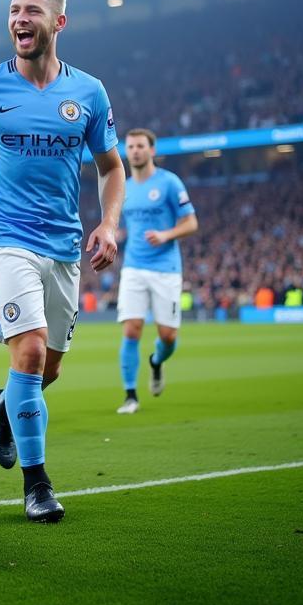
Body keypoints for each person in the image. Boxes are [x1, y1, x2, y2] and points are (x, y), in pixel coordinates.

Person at [0, 0, 123, 523]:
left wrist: (108, 225)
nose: (20, 18)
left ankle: (1, 405)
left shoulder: (88, 92)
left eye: (32, 11)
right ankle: (36, 485)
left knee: (48, 371)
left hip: (62, 245)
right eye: (14, 9)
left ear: (58, 23)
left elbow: (112, 167)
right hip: (3, 238)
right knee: (31, 352)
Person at [116, 128, 198, 414]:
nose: (135, 151)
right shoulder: (123, 187)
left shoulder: (169, 183)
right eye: (130, 146)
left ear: (152, 150)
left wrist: (166, 235)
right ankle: (130, 396)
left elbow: (191, 223)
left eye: (140, 146)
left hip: (166, 268)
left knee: (168, 337)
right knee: (131, 328)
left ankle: (156, 361)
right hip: (134, 267)